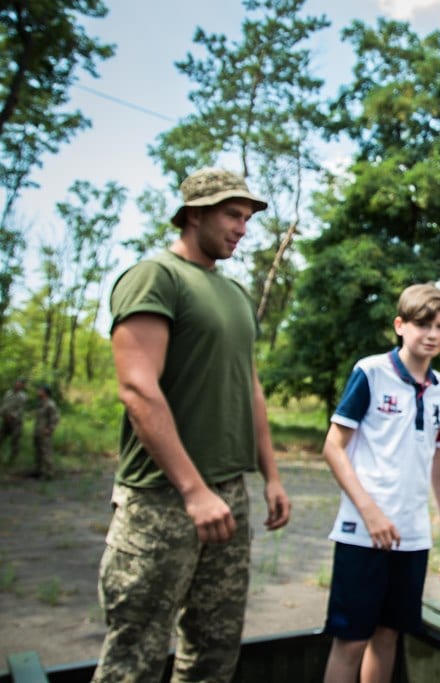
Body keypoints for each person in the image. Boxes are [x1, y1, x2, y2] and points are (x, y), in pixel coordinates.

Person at [92, 167, 291, 683]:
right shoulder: (156, 276)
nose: (242, 228)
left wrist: (270, 476)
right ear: (194, 215)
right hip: (162, 499)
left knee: (213, 653)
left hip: (228, 493)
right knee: (133, 657)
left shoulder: (236, 294)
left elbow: (250, 388)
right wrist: (193, 490)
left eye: (246, 218)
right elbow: (138, 388)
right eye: (232, 215)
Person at [321, 283, 440, 683]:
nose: (432, 334)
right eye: (422, 324)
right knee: (351, 641)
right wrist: (370, 512)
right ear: (400, 325)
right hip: (362, 533)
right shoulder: (371, 372)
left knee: (388, 637)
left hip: (412, 537)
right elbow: (333, 447)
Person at [32, 384, 60, 479]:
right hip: (38, 431)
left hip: (45, 433)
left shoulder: (50, 404)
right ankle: (39, 471)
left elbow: (55, 418)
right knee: (38, 453)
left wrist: (50, 429)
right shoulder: (40, 403)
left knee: (46, 453)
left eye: (40, 390)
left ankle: (49, 473)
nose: (38, 392)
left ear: (45, 393)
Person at [0, 377, 28, 463]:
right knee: (1, 437)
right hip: (5, 419)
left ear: (22, 386)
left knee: (15, 440)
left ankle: (13, 458)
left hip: (16, 422)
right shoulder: (8, 393)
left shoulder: (23, 396)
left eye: (20, 384)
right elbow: (4, 405)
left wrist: (12, 416)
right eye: (17, 383)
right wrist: (2, 413)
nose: (17, 385)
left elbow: (20, 409)